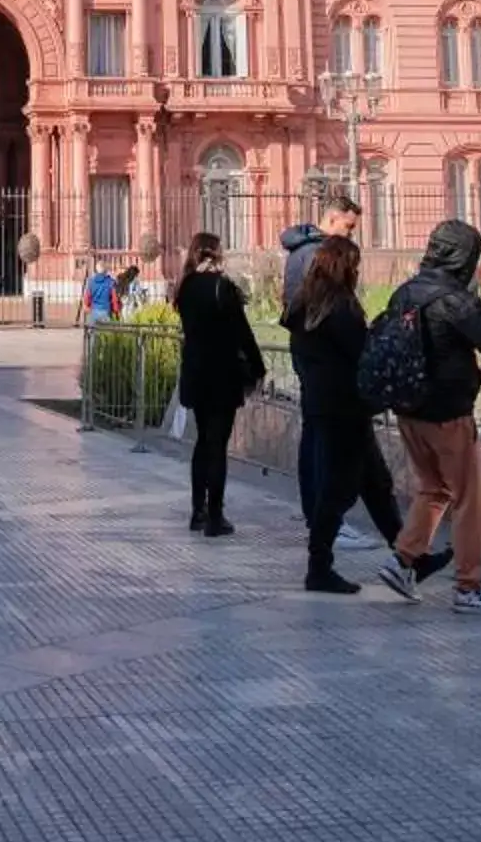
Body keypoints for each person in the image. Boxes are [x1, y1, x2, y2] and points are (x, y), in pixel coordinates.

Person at [375, 219, 481, 616]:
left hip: (408, 409)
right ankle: (468, 586)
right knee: (470, 499)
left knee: (434, 487)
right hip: (447, 412)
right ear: (466, 257)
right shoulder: (455, 299)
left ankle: (403, 560)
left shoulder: (405, 292)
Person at [285, 234, 408, 594]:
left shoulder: (305, 304)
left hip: (325, 405)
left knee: (376, 485)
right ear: (344, 267)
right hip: (344, 408)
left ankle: (408, 555)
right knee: (338, 491)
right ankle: (318, 567)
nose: (358, 272)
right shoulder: (340, 309)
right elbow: (361, 354)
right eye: (355, 265)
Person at [276, 196, 392, 553]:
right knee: (334, 459)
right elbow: (344, 333)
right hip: (332, 377)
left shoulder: (301, 253)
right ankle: (324, 534)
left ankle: (329, 540)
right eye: (349, 227)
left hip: (314, 364)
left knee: (340, 457)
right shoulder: (319, 258)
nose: (352, 237)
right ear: (332, 218)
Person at [172, 231, 263, 537]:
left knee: (202, 442)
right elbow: (242, 331)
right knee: (217, 445)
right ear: (215, 254)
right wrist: (258, 366)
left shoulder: (184, 288)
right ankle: (215, 516)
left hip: (196, 372)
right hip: (222, 374)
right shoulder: (221, 287)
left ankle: (197, 511)